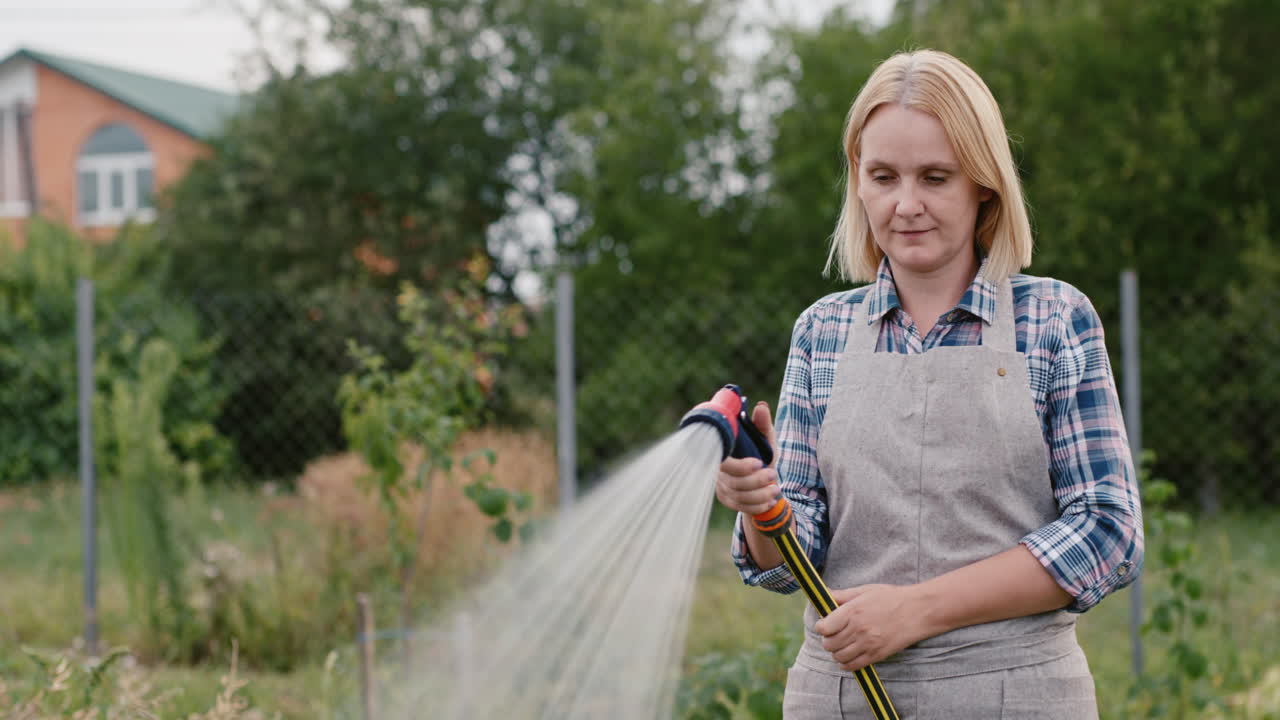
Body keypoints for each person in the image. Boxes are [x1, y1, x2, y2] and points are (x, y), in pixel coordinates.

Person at [716, 49, 1143, 719]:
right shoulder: (821, 332)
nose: (905, 204)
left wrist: (915, 611)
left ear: (984, 184)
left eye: (935, 177)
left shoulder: (1055, 318)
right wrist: (759, 502)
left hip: (1016, 697)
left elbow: (1106, 535)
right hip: (840, 697)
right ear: (858, 181)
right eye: (883, 176)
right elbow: (785, 561)